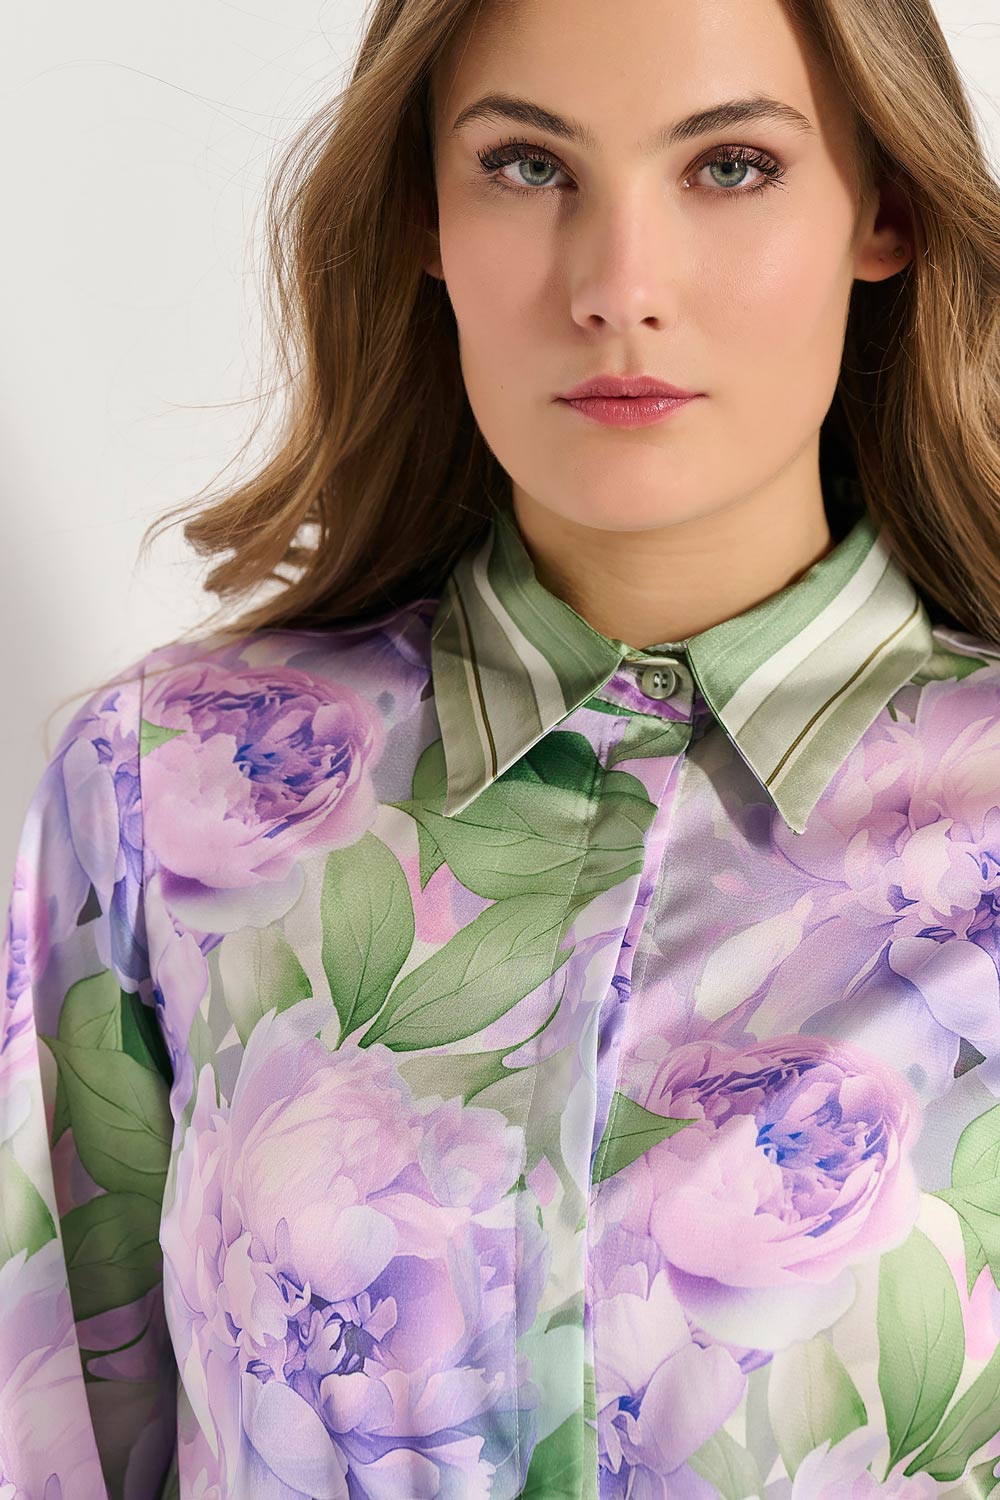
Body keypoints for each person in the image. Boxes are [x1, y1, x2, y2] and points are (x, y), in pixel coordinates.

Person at [3, 0, 1000, 1493]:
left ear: (887, 209)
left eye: (730, 165)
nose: (619, 286)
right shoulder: (167, 791)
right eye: (529, 167)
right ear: (426, 216)